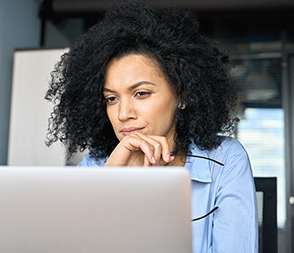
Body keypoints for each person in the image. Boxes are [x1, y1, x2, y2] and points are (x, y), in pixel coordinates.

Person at [45, 1, 258, 252]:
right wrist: (109, 183)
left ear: (182, 95)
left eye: (141, 93)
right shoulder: (96, 166)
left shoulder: (225, 160)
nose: (123, 114)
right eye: (111, 99)